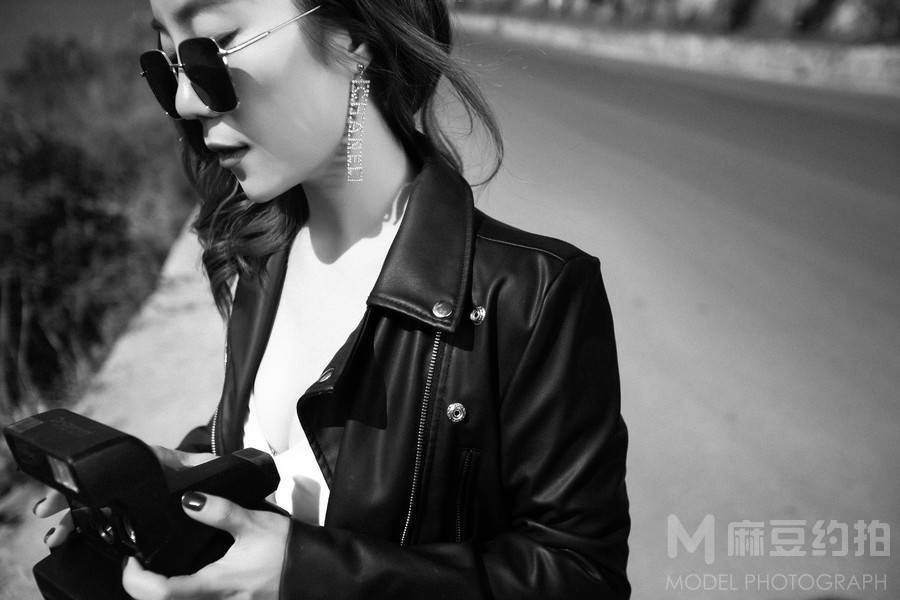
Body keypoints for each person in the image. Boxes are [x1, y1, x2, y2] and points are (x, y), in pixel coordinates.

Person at [35, 0, 630, 597]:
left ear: (352, 38)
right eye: (167, 65)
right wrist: (187, 476)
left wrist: (311, 577)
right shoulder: (257, 255)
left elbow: (581, 576)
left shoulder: (531, 294)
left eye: (211, 46)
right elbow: (270, 452)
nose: (187, 100)